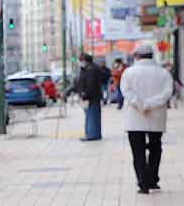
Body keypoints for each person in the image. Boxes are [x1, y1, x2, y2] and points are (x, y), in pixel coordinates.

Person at [120, 47, 175, 194]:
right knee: (155, 149)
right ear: (152, 56)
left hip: (135, 117)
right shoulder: (163, 73)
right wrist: (151, 104)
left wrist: (140, 104)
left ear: (137, 56)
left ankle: (143, 184)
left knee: (138, 152)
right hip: (156, 116)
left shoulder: (129, 73)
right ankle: (153, 180)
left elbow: (126, 91)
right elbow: (167, 93)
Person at [73, 52, 110, 140]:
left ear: (85, 60)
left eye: (81, 61)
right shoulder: (92, 68)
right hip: (95, 96)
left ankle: (92, 134)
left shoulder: (90, 69)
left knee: (91, 116)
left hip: (91, 97)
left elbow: (90, 84)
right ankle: (95, 134)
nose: (80, 63)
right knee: (93, 116)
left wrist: (85, 94)